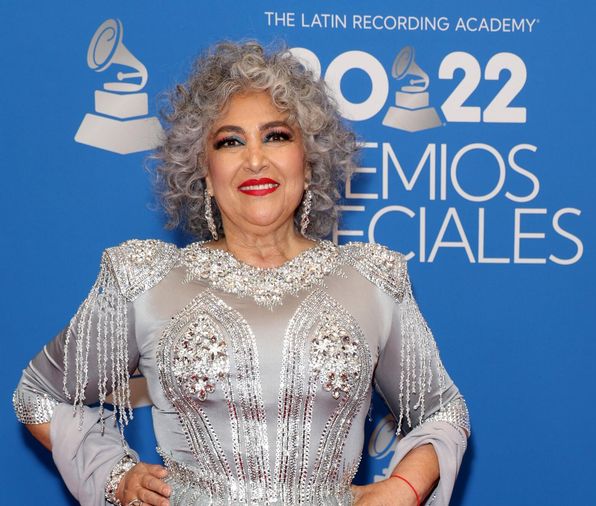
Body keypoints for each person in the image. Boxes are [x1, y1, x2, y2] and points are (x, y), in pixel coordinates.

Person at [13, 40, 469, 506]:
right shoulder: (144, 282)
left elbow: (444, 412)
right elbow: (38, 396)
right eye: (230, 141)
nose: (255, 159)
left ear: (308, 161)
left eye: (276, 136)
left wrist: (402, 488)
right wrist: (115, 476)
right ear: (204, 171)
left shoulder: (372, 281)